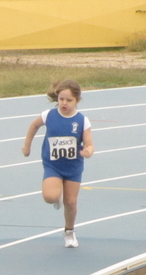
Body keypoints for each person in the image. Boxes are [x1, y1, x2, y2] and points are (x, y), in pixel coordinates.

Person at [21, 80, 94, 248]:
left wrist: (88, 151)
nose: (64, 103)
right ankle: (56, 194)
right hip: (53, 165)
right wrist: (27, 145)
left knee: (70, 202)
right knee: (50, 197)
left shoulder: (82, 121)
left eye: (69, 100)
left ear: (77, 101)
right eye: (61, 99)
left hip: (73, 167)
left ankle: (69, 232)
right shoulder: (49, 115)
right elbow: (34, 126)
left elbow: (89, 143)